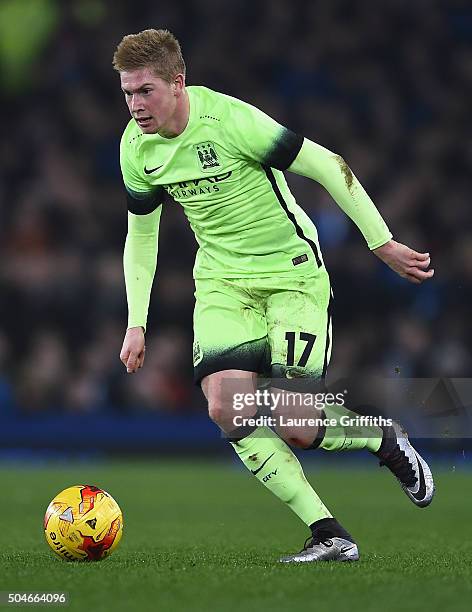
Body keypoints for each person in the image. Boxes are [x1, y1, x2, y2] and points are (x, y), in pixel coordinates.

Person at [113, 29, 434, 563]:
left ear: (178, 82)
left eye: (145, 90)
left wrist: (381, 243)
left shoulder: (234, 122)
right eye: (127, 93)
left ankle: (380, 436)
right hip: (221, 281)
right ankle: (329, 533)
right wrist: (136, 321)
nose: (135, 105)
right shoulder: (135, 149)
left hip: (291, 275)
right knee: (226, 409)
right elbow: (141, 235)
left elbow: (330, 165)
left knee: (298, 426)